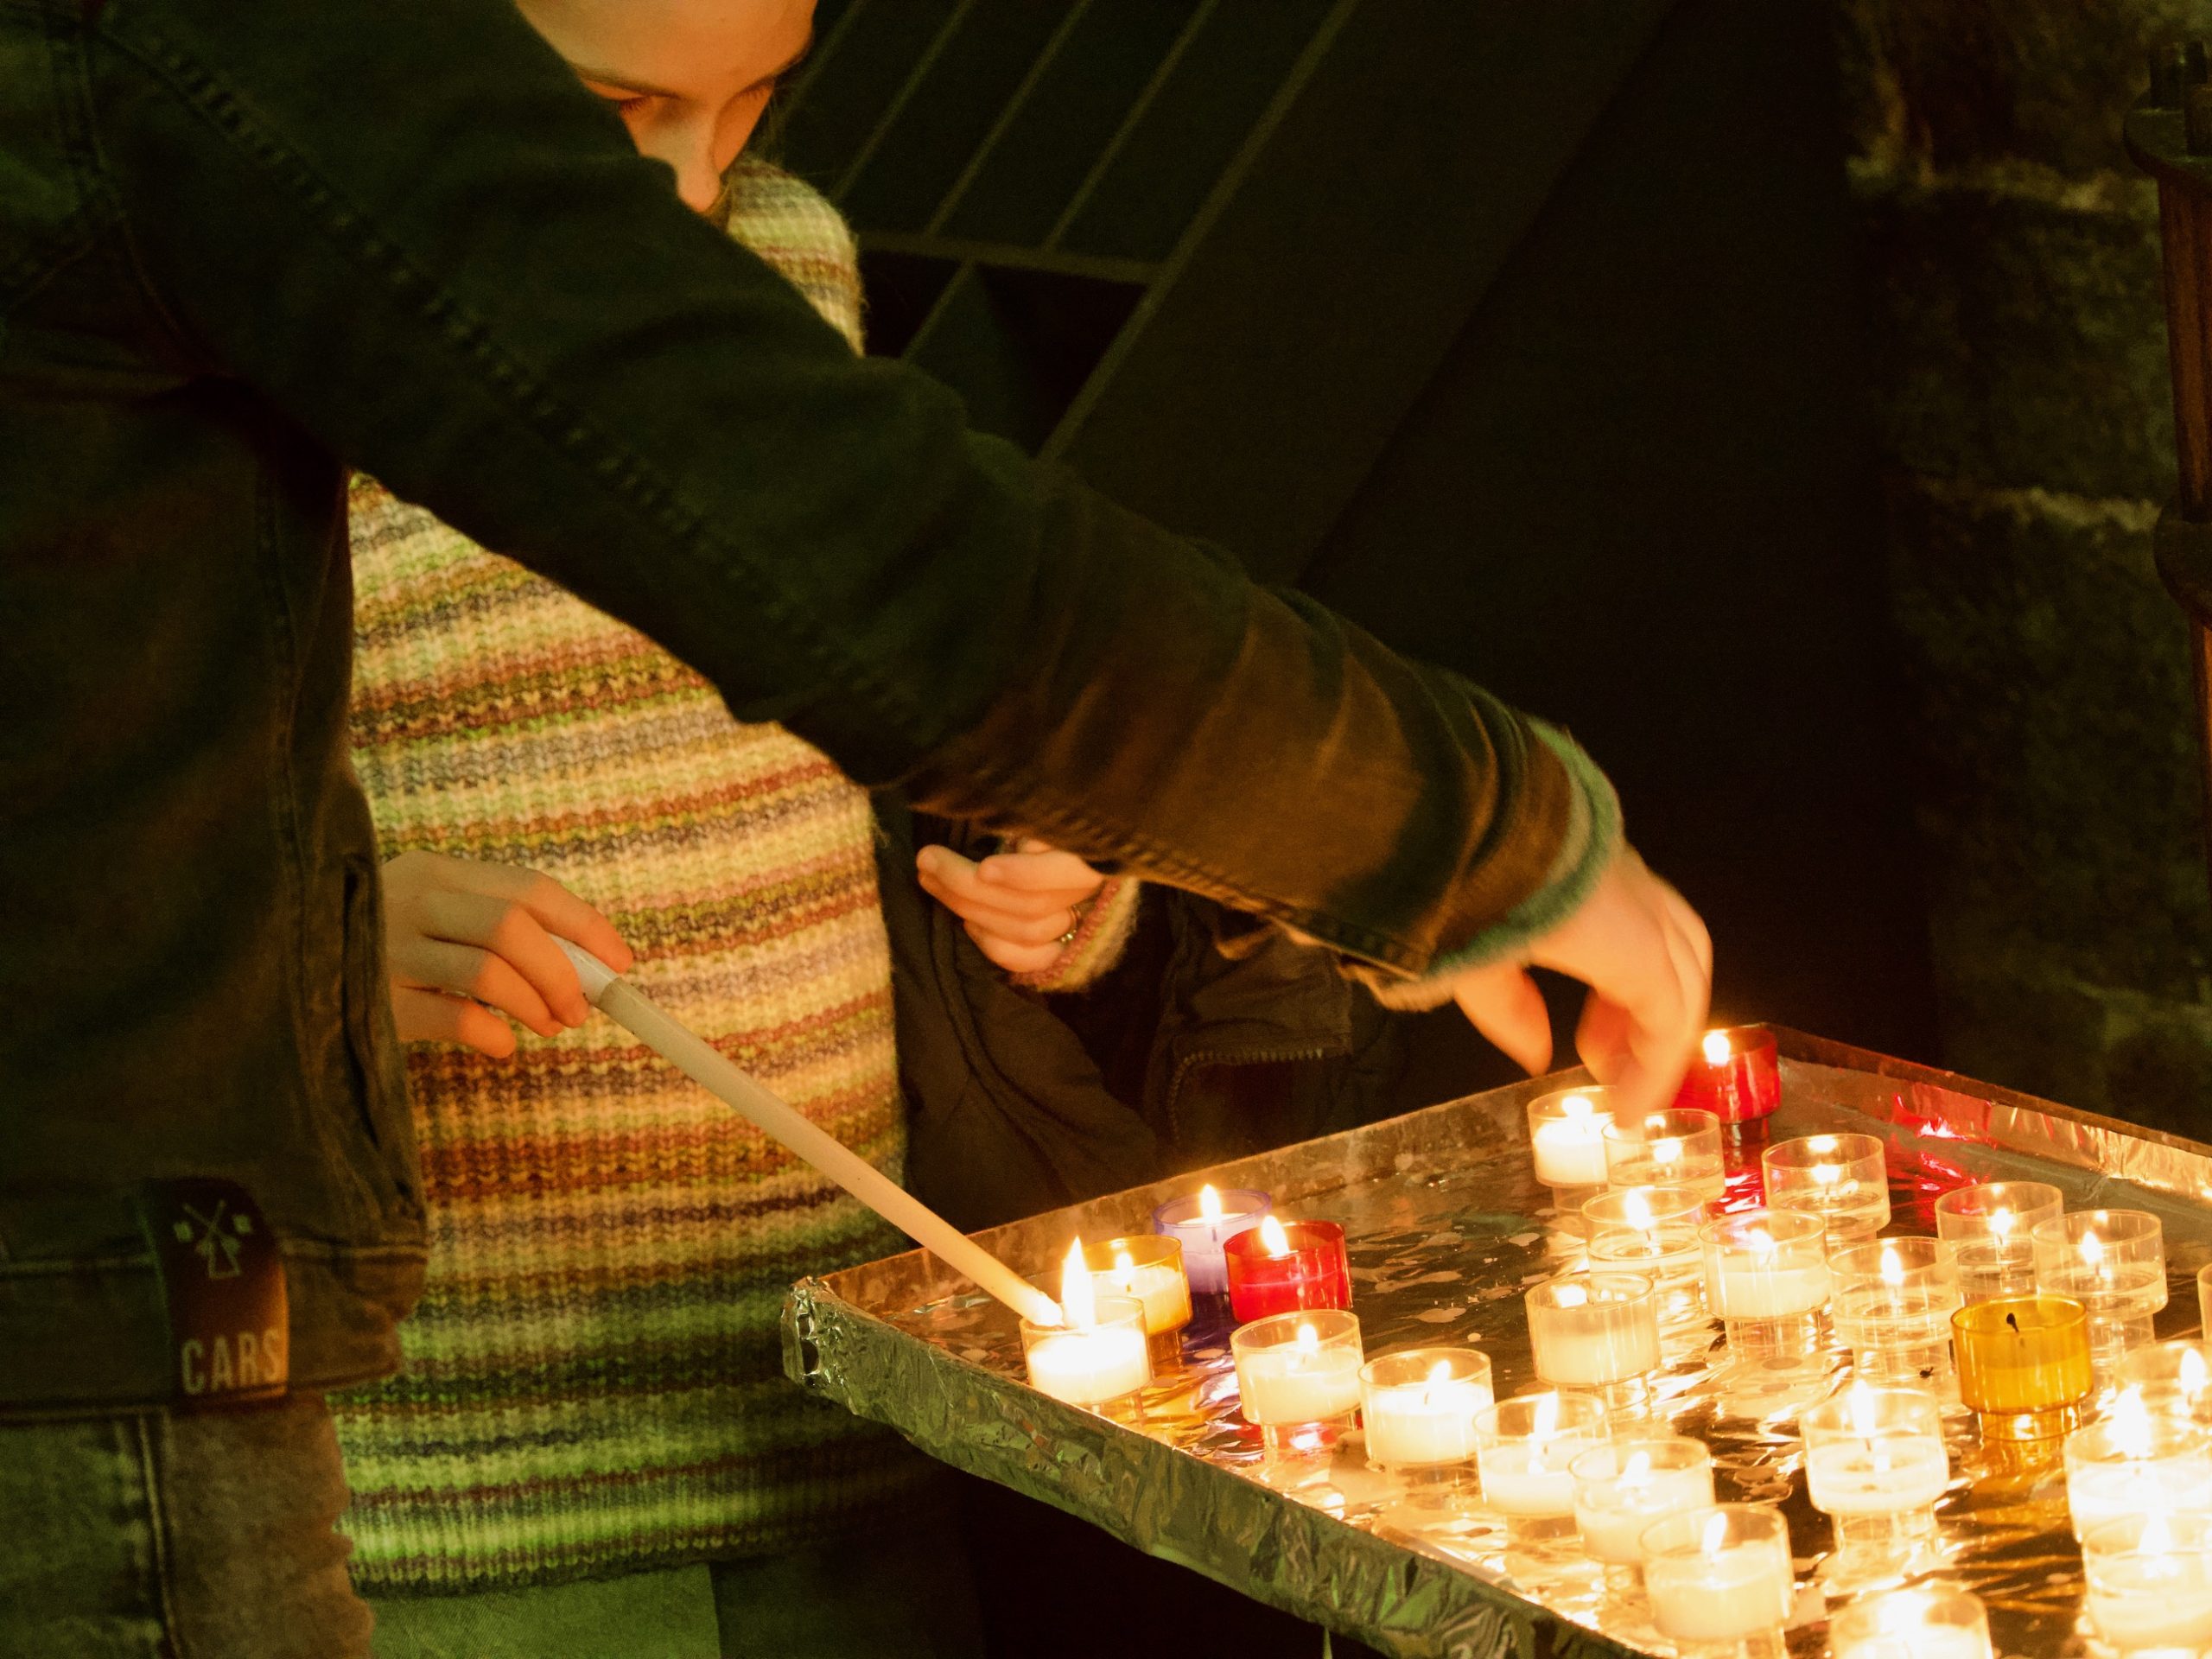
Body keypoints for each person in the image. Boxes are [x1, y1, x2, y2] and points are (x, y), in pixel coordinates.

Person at [0, 0, 1712, 1647]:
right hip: (409, 1442)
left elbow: (843, 686)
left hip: (823, 1403)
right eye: (599, 124)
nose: (678, 202)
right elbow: (906, 592)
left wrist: (1086, 868)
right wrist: (1466, 829)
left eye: (748, 109)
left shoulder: (766, 255)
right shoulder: (258, 235)